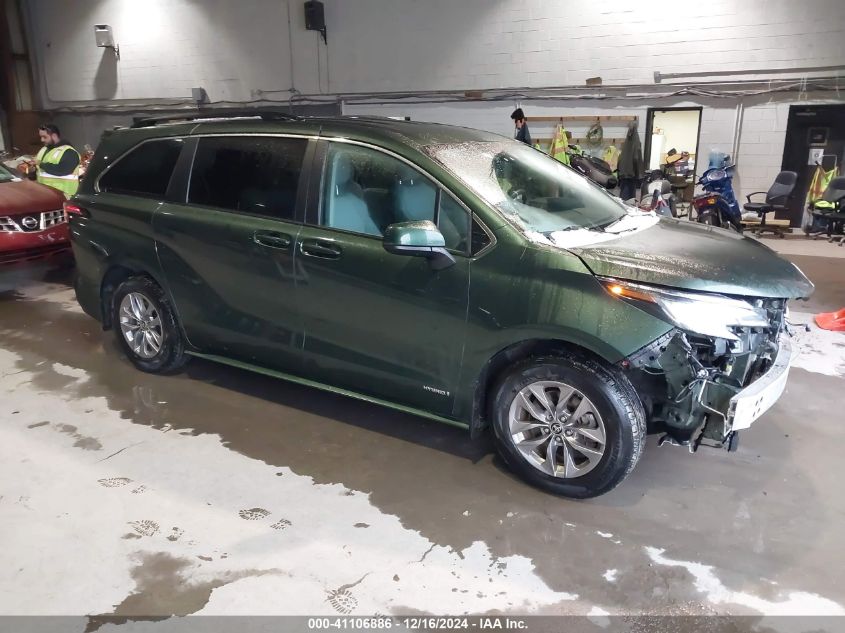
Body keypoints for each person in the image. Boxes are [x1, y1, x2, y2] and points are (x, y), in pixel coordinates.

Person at [30, 124, 81, 198]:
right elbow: (40, 172)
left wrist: (40, 164)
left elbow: (62, 170)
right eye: (41, 137)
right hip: (45, 195)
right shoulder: (44, 149)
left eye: (44, 137)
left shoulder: (69, 152)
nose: (42, 140)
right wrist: (32, 170)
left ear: (54, 136)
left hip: (64, 197)